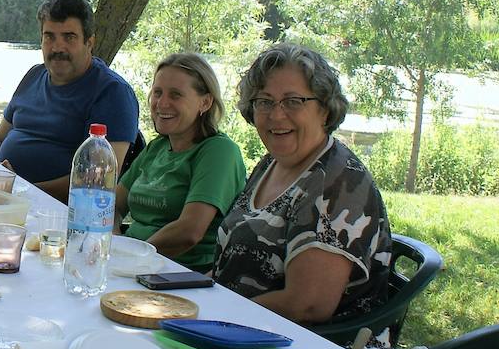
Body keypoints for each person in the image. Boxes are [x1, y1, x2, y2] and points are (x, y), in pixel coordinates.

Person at [214, 43, 392, 323]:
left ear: (325, 108)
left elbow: (307, 305)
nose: (276, 114)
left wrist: (213, 313)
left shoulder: (337, 181)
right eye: (265, 101)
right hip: (234, 327)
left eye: (293, 101)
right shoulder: (271, 164)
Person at [0, 0, 139, 202]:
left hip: (58, 213)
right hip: (4, 198)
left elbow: (98, 178)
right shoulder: (33, 76)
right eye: (49, 37)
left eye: (69, 37)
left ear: (89, 42)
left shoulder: (112, 93)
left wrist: (23, 190)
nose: (57, 48)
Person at [114, 53, 246, 271]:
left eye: (176, 95)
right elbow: (112, 205)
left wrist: (132, 259)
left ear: (205, 102)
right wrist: (112, 240)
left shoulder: (219, 151)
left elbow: (189, 232)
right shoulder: (157, 147)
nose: (162, 103)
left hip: (179, 273)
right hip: (132, 261)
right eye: (157, 93)